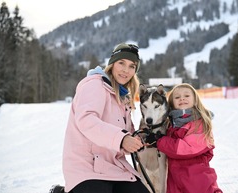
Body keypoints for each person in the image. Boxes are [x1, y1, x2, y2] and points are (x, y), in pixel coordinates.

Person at [62, 43, 150, 193]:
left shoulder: (123, 99)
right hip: (87, 169)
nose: (125, 70)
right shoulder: (95, 85)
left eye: (131, 66)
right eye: (121, 63)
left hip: (116, 169)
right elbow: (87, 120)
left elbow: (125, 137)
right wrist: (122, 139)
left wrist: (138, 139)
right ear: (111, 64)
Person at [145, 83, 223, 193]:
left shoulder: (199, 123)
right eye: (177, 97)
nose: (182, 98)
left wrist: (159, 141)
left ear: (195, 100)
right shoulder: (171, 125)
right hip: (175, 181)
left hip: (197, 180)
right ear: (171, 103)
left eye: (186, 96)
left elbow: (186, 148)